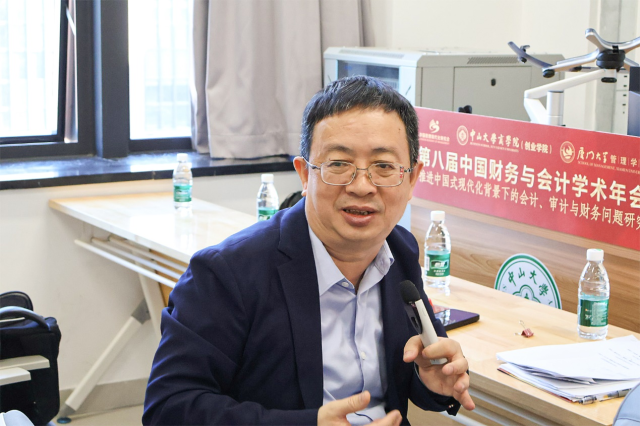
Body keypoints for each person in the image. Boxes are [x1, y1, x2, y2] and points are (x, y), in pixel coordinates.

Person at [143, 75, 475, 425]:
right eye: (339, 164)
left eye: (384, 166)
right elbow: (168, 408)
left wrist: (431, 380)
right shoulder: (227, 273)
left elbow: (419, 366)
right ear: (304, 175)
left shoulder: (400, 251)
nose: (362, 186)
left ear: (411, 179)